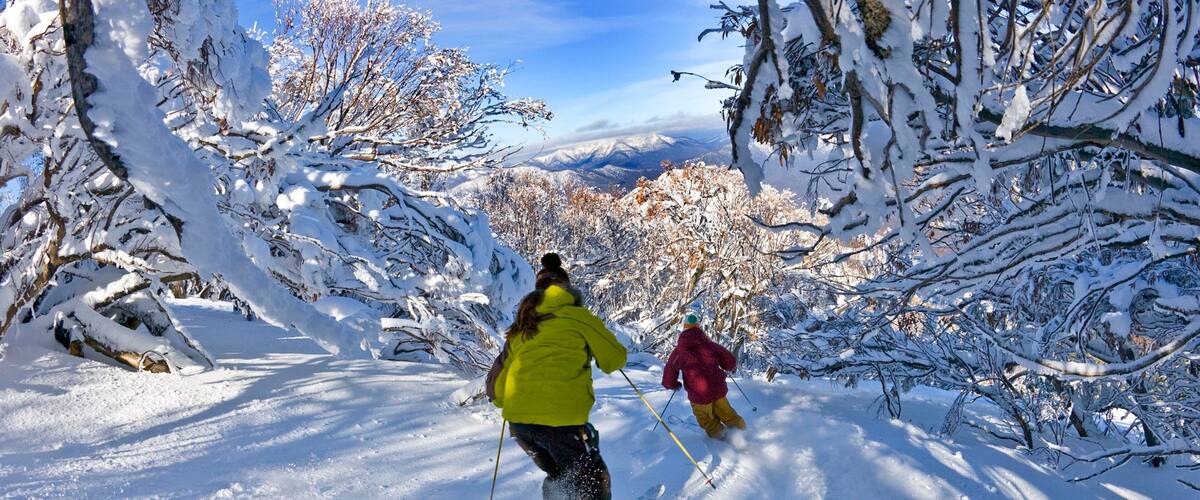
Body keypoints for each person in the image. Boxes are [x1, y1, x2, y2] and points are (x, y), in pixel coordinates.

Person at [487, 253, 627, 500]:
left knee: (561, 475)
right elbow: (614, 360)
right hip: (560, 423)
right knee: (594, 480)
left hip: (521, 427)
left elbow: (496, 390)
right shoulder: (578, 317)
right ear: (566, 287)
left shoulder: (523, 327)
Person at [661, 311, 746, 439]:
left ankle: (722, 438)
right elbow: (730, 361)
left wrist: (672, 384)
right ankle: (742, 434)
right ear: (698, 327)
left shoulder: (679, 351)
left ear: (684, 327)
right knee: (728, 414)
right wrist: (726, 366)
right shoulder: (710, 345)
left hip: (698, 395)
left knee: (706, 419)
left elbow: (670, 370)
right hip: (718, 389)